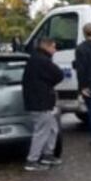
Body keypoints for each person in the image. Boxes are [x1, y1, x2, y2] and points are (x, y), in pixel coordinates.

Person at [21, 38, 64, 172]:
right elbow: (58, 74)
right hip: (41, 102)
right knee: (42, 131)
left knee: (52, 128)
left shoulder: (34, 59)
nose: (55, 50)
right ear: (47, 46)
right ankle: (32, 160)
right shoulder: (43, 60)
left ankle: (47, 154)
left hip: (39, 100)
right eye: (54, 47)